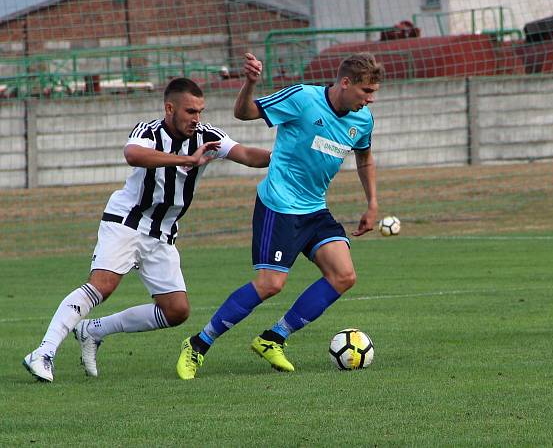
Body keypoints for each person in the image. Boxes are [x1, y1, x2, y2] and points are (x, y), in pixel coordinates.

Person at [22, 78, 272, 382]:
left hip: (163, 234)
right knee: (103, 285)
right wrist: (187, 160)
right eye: (190, 111)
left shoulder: (207, 137)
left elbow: (245, 154)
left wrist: (283, 157)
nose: (197, 118)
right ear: (170, 108)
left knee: (176, 311)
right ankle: (43, 352)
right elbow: (133, 155)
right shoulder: (148, 131)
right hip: (126, 221)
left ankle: (92, 330)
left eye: (200, 111)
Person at [175, 52, 382, 379]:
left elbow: (365, 158)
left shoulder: (363, 119)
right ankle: (198, 344)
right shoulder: (303, 98)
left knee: (343, 275)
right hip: (279, 205)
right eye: (366, 92)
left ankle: (273, 338)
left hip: (315, 208)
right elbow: (244, 113)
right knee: (271, 284)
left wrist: (372, 203)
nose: (369, 99)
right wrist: (251, 83)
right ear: (345, 82)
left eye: (373, 93)